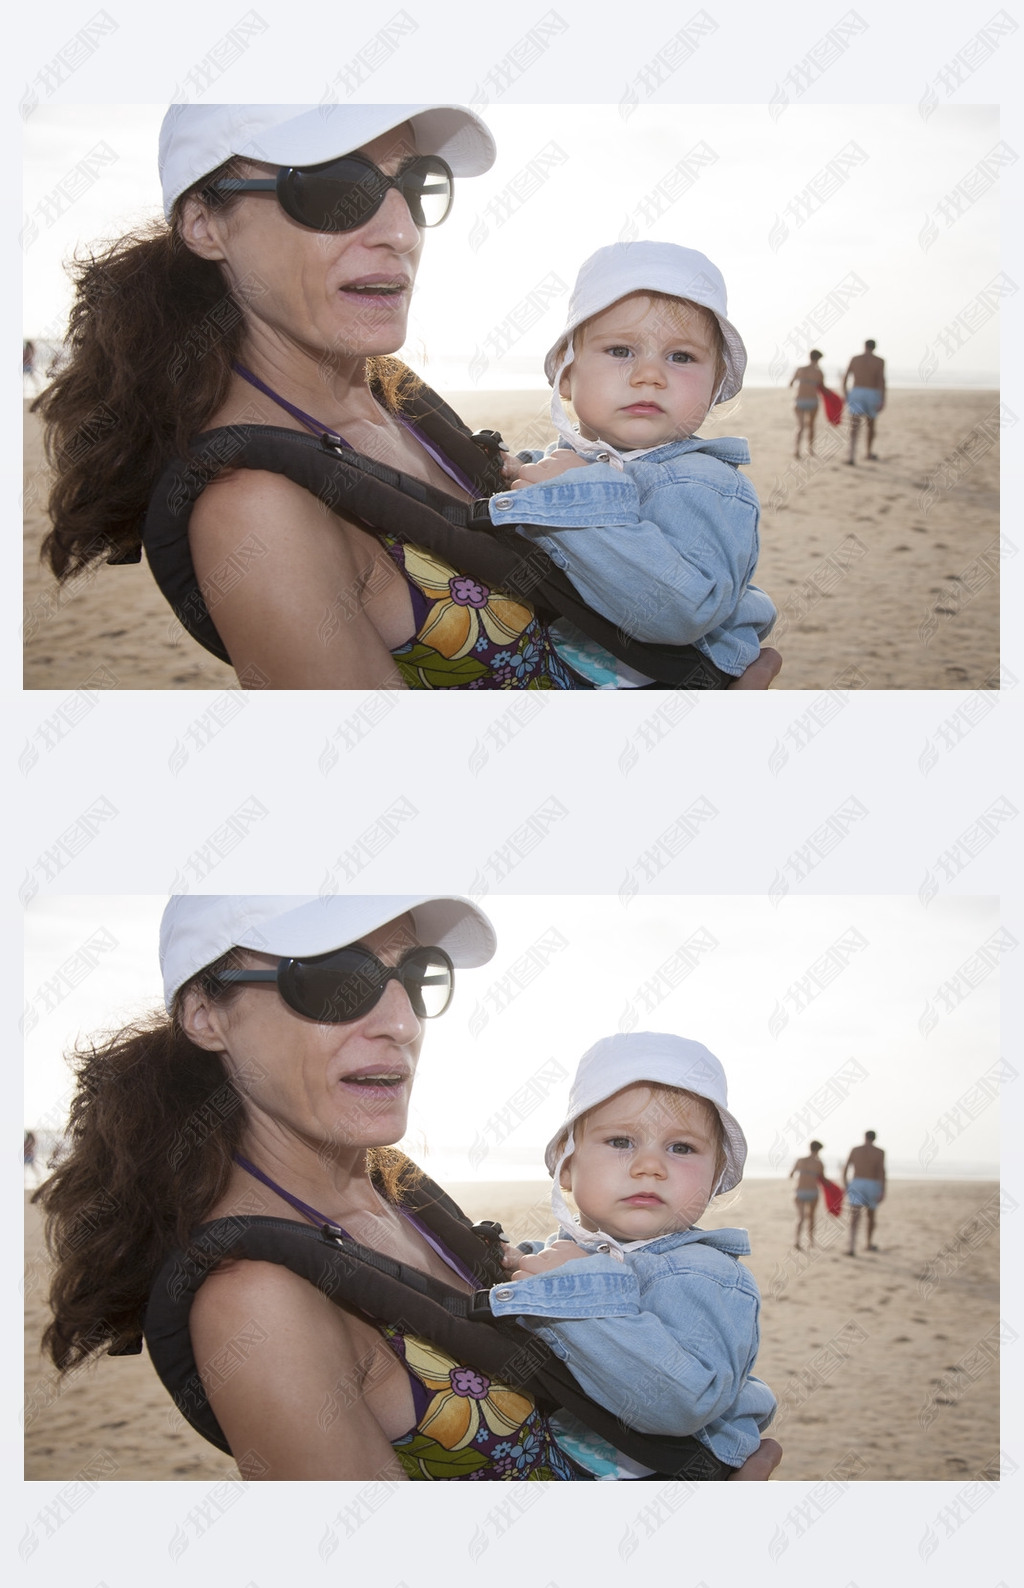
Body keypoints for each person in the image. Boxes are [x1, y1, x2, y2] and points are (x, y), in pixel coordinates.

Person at [35, 895, 781, 1481]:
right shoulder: (257, 1301)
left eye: (417, 977)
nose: (400, 1021)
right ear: (206, 1013)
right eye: (334, 980)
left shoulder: (399, 1191)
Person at [34, 106, 777, 692]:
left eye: (416, 186)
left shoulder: (399, 398)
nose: (399, 231)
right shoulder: (256, 508)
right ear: (204, 222)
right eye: (332, 190)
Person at [490, 242, 780, 690]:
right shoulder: (579, 457)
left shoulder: (706, 485)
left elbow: (684, 612)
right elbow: (556, 471)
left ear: (715, 383)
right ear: (567, 374)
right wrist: (518, 469)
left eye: (681, 357)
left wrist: (568, 502)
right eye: (621, 350)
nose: (650, 375)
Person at [487, 1033, 776, 1479]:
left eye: (681, 1148)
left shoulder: (706, 1276)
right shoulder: (580, 1248)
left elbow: (682, 1404)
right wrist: (517, 1259)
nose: (650, 1166)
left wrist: (569, 1293)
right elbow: (556, 1262)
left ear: (715, 1175)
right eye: (621, 1141)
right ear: (567, 1164)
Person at [843, 339, 885, 465]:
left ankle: (851, 455)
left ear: (864, 346)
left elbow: (845, 377)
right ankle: (868, 452)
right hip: (872, 393)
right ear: (874, 347)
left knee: (854, 426)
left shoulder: (855, 359)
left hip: (856, 392)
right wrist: (883, 398)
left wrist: (846, 393)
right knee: (870, 425)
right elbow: (881, 380)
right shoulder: (879, 361)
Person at [843, 1130, 886, 1255]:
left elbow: (846, 1167)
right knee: (871, 1215)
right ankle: (868, 1242)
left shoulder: (855, 1150)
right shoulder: (879, 1152)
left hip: (857, 1182)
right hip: (872, 1183)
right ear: (874, 1138)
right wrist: (883, 1189)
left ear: (864, 1137)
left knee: (854, 1216)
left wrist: (846, 1183)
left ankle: (852, 1246)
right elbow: (881, 1171)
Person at [788, 1139, 825, 1249]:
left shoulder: (800, 1160)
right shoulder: (819, 1163)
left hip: (800, 1191)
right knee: (811, 1216)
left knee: (801, 1217)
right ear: (818, 1150)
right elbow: (823, 1179)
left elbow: (791, 1174)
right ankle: (811, 1242)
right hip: (813, 1192)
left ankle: (797, 1241)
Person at [789, 351, 825, 459]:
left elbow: (791, 383)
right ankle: (811, 450)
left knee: (800, 426)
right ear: (818, 359)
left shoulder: (800, 369)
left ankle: (797, 450)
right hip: (813, 401)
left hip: (799, 400)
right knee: (811, 426)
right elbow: (822, 388)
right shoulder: (819, 372)